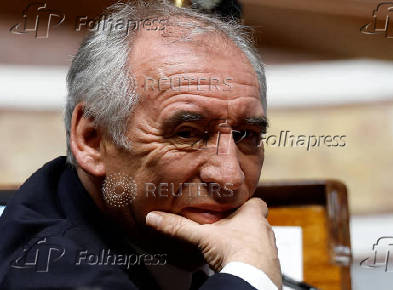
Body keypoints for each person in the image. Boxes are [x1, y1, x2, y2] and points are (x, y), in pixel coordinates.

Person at [0, 1, 281, 289]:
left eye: (246, 135)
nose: (229, 177)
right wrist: (249, 274)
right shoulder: (52, 273)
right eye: (187, 134)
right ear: (92, 140)